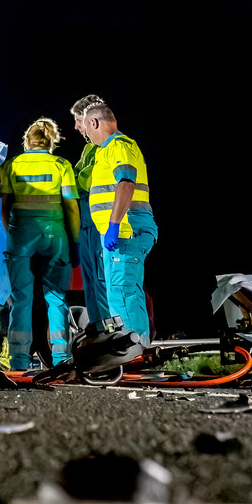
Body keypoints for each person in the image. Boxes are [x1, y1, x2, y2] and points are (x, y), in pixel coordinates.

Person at [0, 117, 79, 369]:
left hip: (21, 236)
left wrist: (11, 234)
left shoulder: (13, 165)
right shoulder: (61, 165)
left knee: (21, 299)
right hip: (54, 235)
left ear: (27, 140)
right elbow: (71, 207)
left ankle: (19, 359)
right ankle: (61, 358)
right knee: (56, 298)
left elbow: (5, 207)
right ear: (51, 141)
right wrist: (74, 241)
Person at [81, 102, 157, 345]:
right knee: (126, 293)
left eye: (85, 128)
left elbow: (126, 183)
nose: (85, 134)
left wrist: (114, 226)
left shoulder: (118, 146)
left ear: (94, 122)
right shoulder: (110, 149)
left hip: (126, 229)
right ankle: (137, 349)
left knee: (122, 293)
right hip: (125, 229)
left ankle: (132, 352)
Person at [70, 94, 109, 331]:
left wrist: (69, 180)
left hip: (100, 223)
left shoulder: (104, 148)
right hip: (87, 222)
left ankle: (111, 333)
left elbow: (84, 180)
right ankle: (98, 331)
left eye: (77, 120)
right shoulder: (88, 150)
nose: (76, 126)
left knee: (102, 280)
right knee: (91, 282)